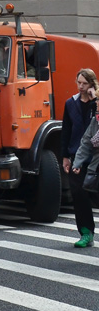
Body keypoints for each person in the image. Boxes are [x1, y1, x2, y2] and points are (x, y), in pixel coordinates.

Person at [67, 69, 99, 247]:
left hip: (96, 162)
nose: (80, 86)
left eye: (84, 83)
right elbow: (86, 141)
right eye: (78, 82)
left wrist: (94, 99)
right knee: (79, 195)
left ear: (92, 85)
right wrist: (73, 161)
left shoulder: (95, 103)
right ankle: (86, 232)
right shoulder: (71, 103)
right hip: (80, 156)